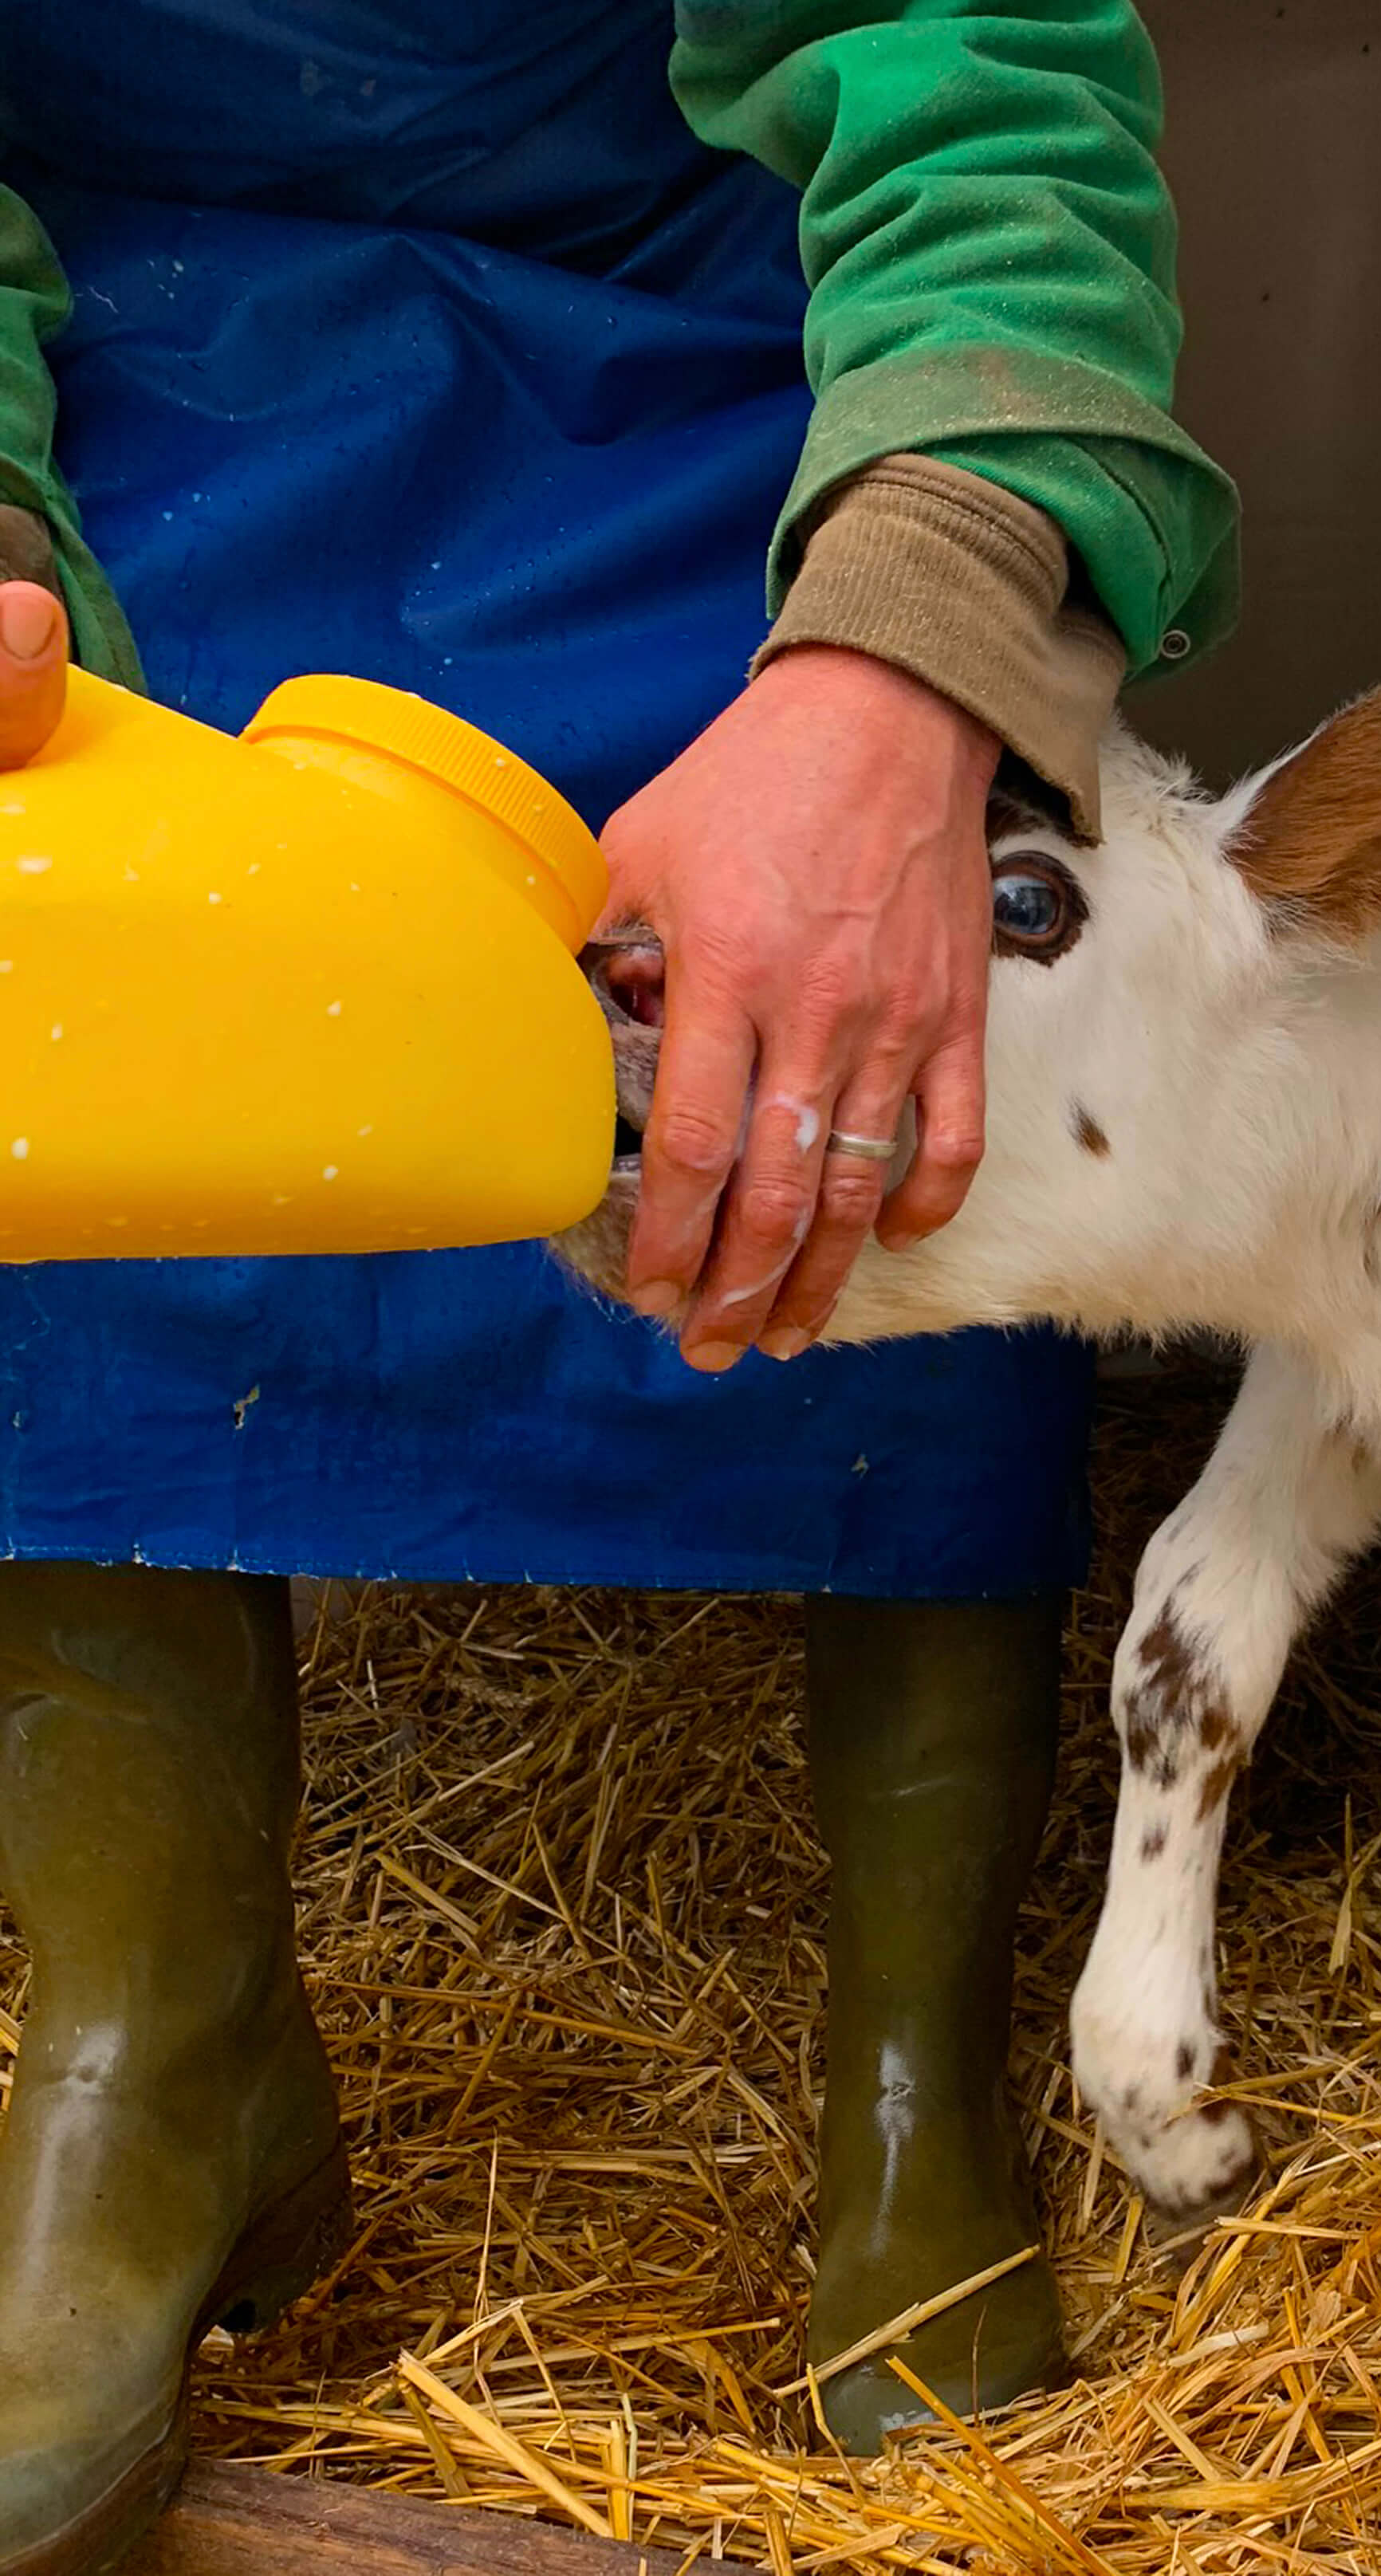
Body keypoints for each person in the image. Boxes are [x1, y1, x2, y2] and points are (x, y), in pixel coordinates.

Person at [0, 4, 1236, 2562]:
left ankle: (908, 2057)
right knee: (57, 985)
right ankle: (157, 2045)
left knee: (870, 1060)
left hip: (730, 367)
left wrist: (912, 656)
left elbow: (974, 83)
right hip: (121, 394)